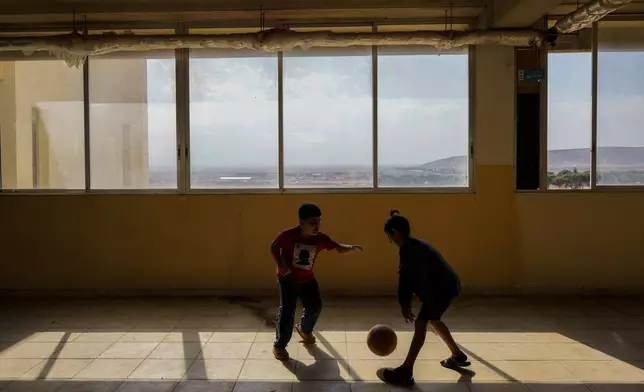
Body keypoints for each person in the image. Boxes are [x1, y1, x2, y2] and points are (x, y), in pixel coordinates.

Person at [382, 209, 469, 385]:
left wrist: (404, 305)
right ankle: (458, 355)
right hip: (447, 285)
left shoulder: (408, 249)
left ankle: (406, 371)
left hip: (441, 289)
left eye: (389, 236)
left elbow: (404, 280)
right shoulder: (415, 244)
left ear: (394, 233)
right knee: (433, 319)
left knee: (421, 323)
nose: (389, 241)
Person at [270, 203, 362, 360]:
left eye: (319, 222)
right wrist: (280, 264)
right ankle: (279, 346)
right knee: (287, 312)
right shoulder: (288, 235)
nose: (317, 226)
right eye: (313, 223)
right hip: (287, 280)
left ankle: (305, 330)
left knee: (315, 306)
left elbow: (338, 248)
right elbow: (274, 246)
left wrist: (352, 248)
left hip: (307, 279)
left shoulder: (321, 239)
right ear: (301, 222)